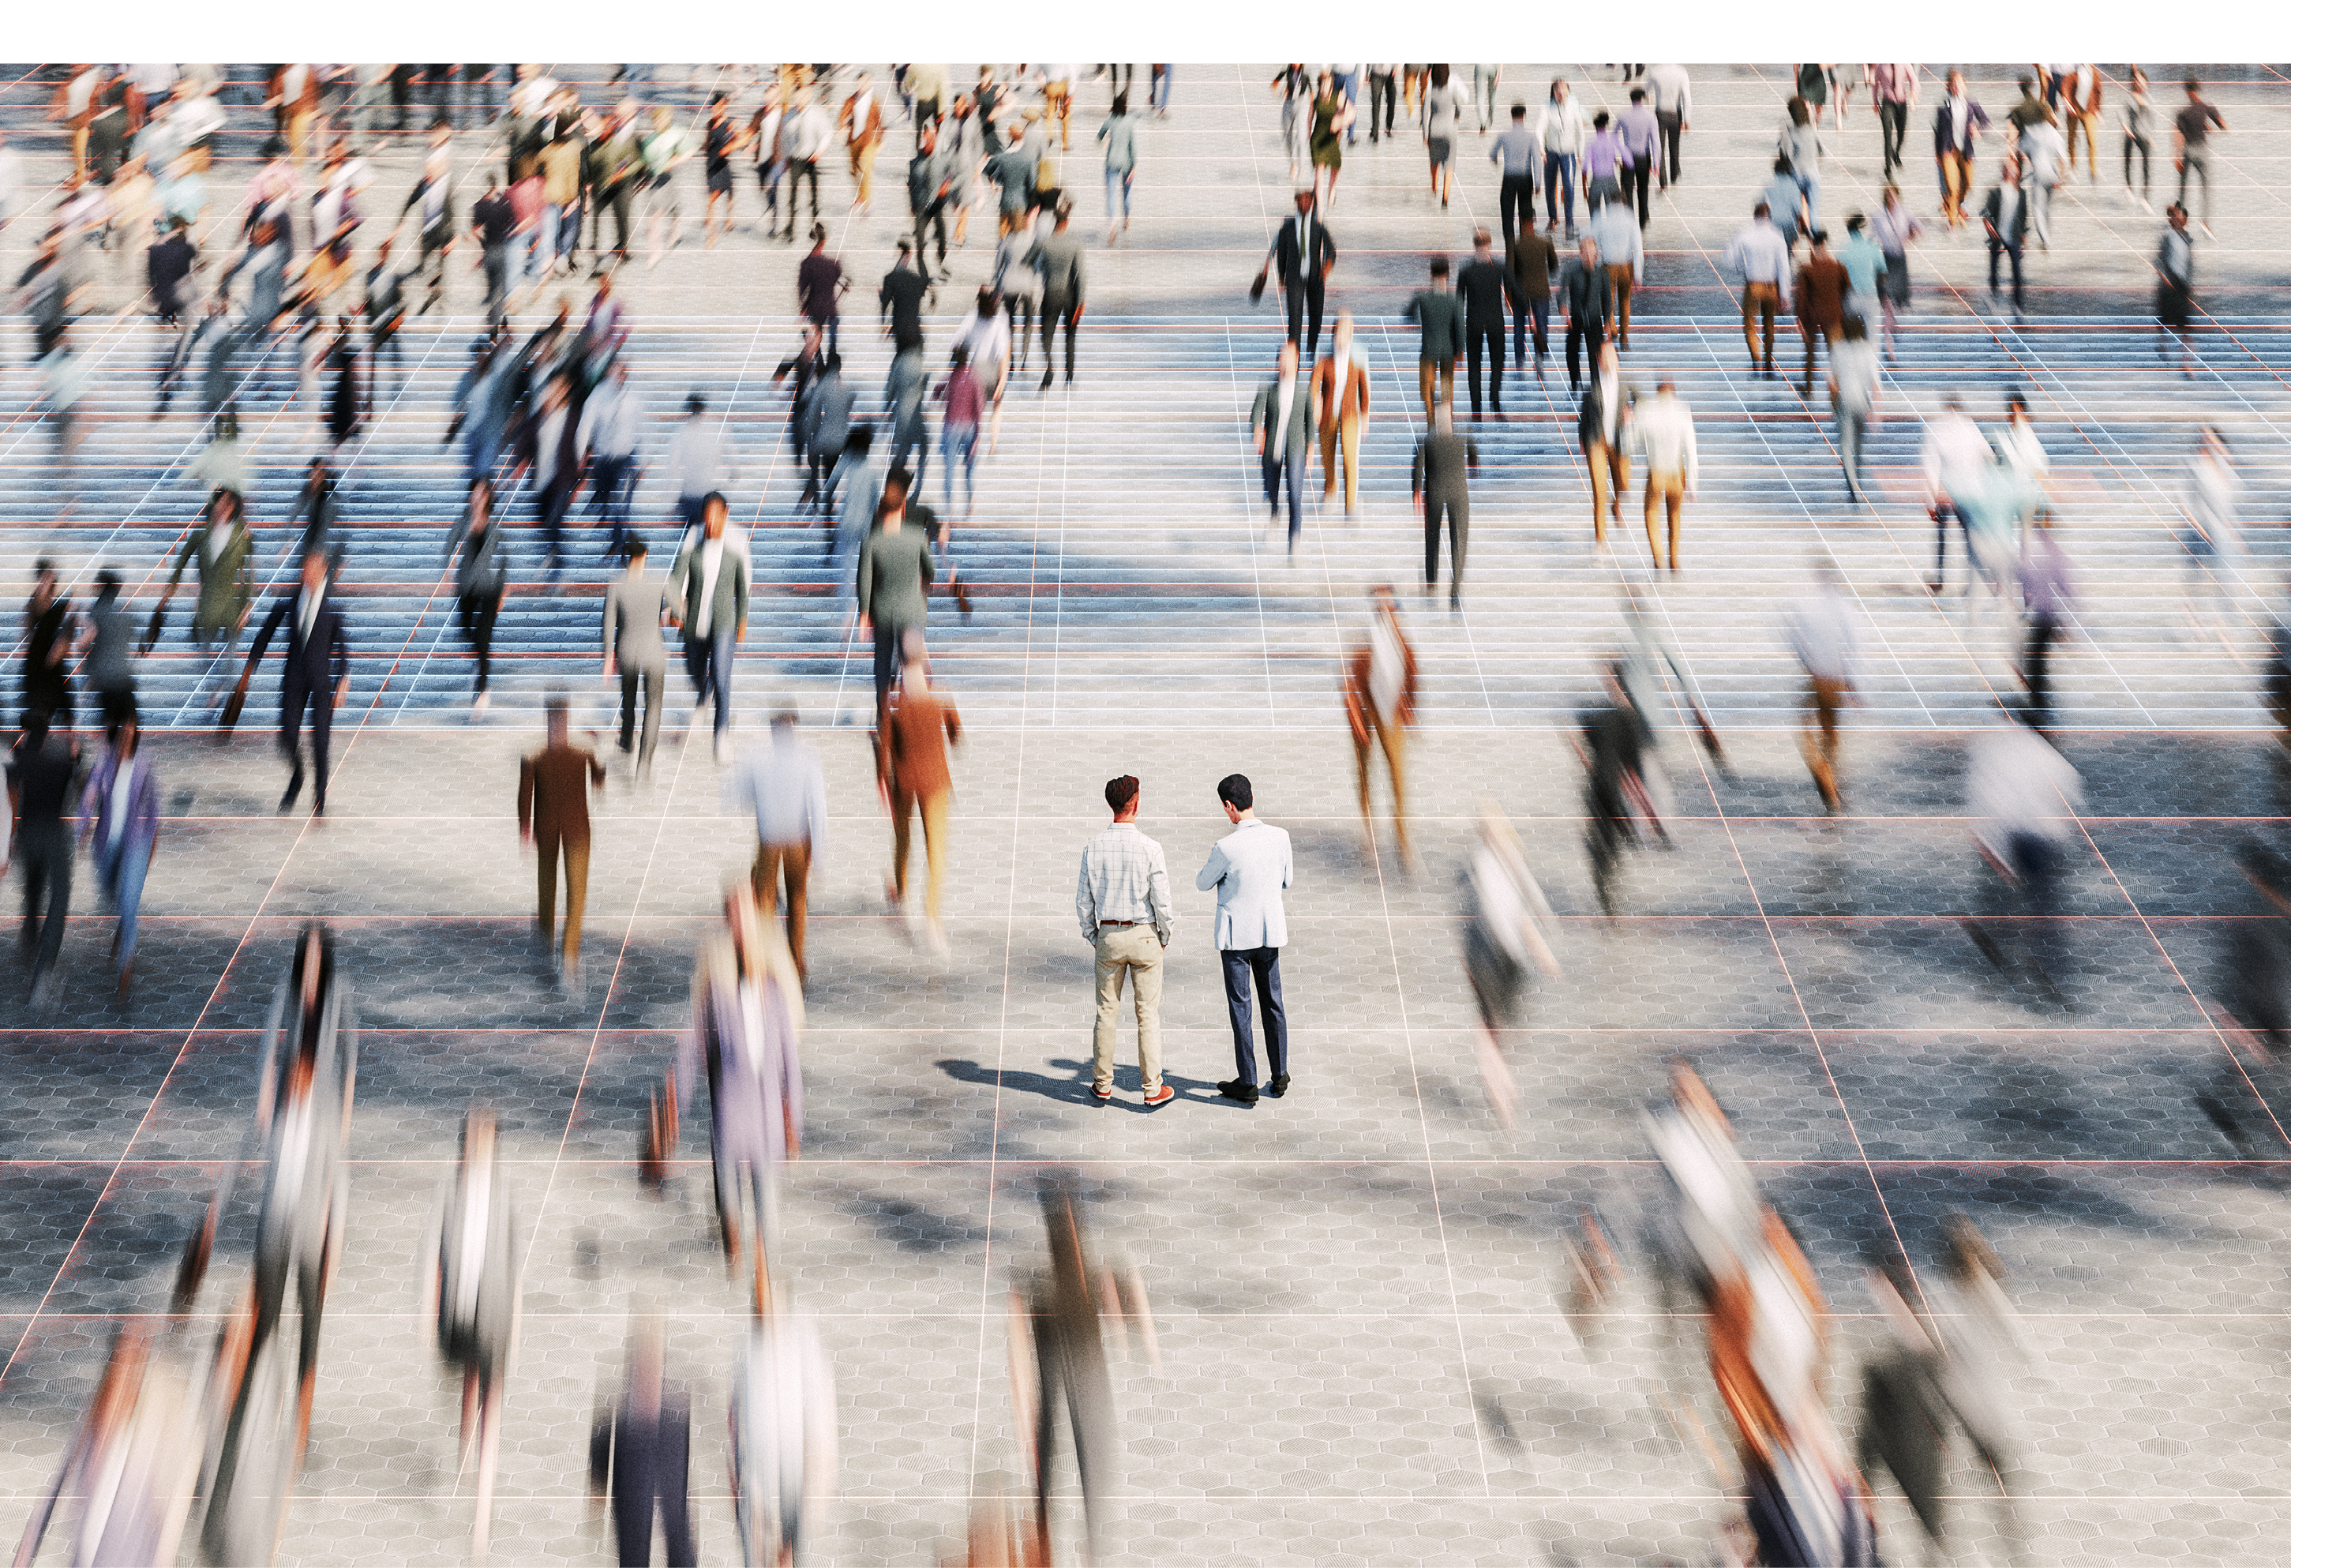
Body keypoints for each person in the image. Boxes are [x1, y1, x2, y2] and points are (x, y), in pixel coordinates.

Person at [1194, 773, 1293, 1106]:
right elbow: (1287, 881)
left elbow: (1202, 883)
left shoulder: (1225, 847)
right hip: (1269, 932)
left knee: (1242, 1008)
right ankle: (1279, 1075)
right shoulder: (1280, 837)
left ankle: (1248, 1081)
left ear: (1228, 805)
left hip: (1236, 938)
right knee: (1273, 1003)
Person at [1075, 774, 1173, 1105]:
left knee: (1106, 1011)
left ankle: (1102, 1085)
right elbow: (1162, 901)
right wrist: (1163, 934)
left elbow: (1083, 900)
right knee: (1148, 1014)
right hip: (1145, 935)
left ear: (1110, 804)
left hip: (1109, 936)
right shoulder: (1151, 847)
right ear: (1136, 803)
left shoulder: (1093, 846)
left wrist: (1094, 934)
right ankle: (1152, 1089)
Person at [243, 550, 350, 816]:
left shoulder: (332, 606)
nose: (307, 576)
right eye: (304, 570)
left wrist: (343, 679)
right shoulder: (290, 601)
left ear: (323, 571)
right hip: (293, 677)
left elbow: (344, 650)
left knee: (320, 742)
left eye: (312, 570)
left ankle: (319, 798)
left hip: (321, 682)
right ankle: (298, 776)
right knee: (287, 738)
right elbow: (265, 633)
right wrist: (250, 667)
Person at [588, 1317, 696, 1568]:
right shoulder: (621, 1408)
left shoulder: (675, 1410)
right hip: (633, 1510)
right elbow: (601, 1451)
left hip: (670, 1516)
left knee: (678, 1549)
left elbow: (683, 1476)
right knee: (634, 1552)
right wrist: (597, 1494)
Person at [518, 697, 606, 989]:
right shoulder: (584, 749)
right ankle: (569, 958)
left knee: (547, 887)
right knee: (576, 893)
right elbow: (599, 780)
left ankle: (546, 940)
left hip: (546, 829)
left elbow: (524, 794)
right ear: (567, 720)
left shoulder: (533, 753)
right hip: (578, 829)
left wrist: (524, 828)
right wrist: (601, 749)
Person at [732, 707, 826, 978]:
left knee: (765, 902)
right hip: (798, 839)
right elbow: (818, 806)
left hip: (769, 839)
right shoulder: (807, 758)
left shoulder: (758, 758)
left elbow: (742, 796)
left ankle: (763, 961)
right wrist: (819, 854)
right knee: (797, 901)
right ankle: (796, 964)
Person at [880, 655, 962, 952]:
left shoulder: (892, 703)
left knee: (903, 840)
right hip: (935, 781)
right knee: (936, 850)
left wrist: (882, 781)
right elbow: (956, 736)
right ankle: (932, 918)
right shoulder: (940, 698)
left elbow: (884, 745)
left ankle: (901, 898)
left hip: (903, 782)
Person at [7, 713, 84, 1007]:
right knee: (58, 900)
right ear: (48, 735)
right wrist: (76, 755)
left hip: (28, 836)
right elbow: (78, 781)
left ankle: (28, 940)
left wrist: (11, 838)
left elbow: (11, 794)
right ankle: (44, 968)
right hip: (54, 835)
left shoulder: (19, 759)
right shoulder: (59, 761)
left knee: (33, 893)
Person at [1343, 588, 1416, 867]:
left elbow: (1412, 674)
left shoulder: (1402, 644)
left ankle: (1402, 840)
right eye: (1381, 606)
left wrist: (1409, 711)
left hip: (1391, 715)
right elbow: (1350, 684)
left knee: (1397, 777)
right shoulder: (1364, 642)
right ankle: (1369, 835)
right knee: (1365, 776)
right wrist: (1357, 720)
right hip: (1365, 712)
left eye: (1391, 607)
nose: (1386, 611)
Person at [857, 471, 936, 718]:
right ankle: (913, 716)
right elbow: (930, 570)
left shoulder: (872, 541)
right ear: (903, 507)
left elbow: (864, 579)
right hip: (912, 610)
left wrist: (864, 613)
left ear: (881, 509)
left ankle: (884, 718)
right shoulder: (917, 538)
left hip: (883, 612)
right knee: (911, 664)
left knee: (882, 663)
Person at [1786, 558, 1860, 812]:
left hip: (1820, 680)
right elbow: (1852, 646)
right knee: (1828, 737)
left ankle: (1830, 791)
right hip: (1833, 680)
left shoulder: (1813, 607)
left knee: (1808, 736)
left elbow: (1795, 635)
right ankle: (1834, 785)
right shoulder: (1842, 608)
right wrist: (1855, 685)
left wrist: (1805, 658)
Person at [603, 537, 672, 778]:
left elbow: (608, 623)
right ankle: (644, 762)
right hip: (654, 652)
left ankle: (626, 740)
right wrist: (668, 612)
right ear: (645, 554)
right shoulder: (659, 580)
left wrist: (608, 657)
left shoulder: (617, 584)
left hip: (628, 651)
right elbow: (679, 611)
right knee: (654, 707)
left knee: (629, 699)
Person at [163, 488, 255, 661]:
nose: (223, 507)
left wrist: (247, 604)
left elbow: (247, 573)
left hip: (231, 606)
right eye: (220, 503)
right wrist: (169, 590)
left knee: (229, 660)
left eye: (228, 504)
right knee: (204, 655)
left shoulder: (242, 537)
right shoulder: (201, 534)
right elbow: (181, 563)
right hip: (207, 606)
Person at [444, 478, 510, 714]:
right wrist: (447, 567)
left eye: (483, 493)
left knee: (483, 638)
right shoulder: (464, 520)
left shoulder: (493, 522)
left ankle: (482, 688)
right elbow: (448, 546)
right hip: (467, 586)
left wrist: (504, 589)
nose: (478, 497)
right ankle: (479, 668)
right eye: (475, 492)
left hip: (490, 587)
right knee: (464, 630)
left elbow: (503, 557)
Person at [1921, 395, 1995, 596]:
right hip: (1969, 492)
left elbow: (1931, 466)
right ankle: (1977, 581)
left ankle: (1939, 578)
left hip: (1946, 493)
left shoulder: (1936, 428)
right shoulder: (1969, 427)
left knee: (1942, 537)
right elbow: (1988, 455)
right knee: (1970, 538)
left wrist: (1930, 499)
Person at [1250, 340, 1314, 555]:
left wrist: (1311, 448)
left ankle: (1293, 540)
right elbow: (1256, 411)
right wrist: (1258, 430)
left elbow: (1310, 422)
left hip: (1295, 448)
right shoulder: (1268, 388)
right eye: (1281, 359)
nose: (1284, 364)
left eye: (1288, 359)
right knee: (1272, 492)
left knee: (1295, 495)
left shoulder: (1303, 392)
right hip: (1272, 449)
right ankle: (1275, 514)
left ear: (1295, 361)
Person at [1413, 402, 1479, 608]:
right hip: (1459, 493)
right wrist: (1472, 469)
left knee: (1432, 539)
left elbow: (1417, 468)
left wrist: (1416, 492)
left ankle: (1431, 583)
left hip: (1434, 493)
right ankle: (1455, 589)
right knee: (1459, 543)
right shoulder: (1463, 436)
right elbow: (1475, 457)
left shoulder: (1426, 441)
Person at [1258, 187, 1336, 360]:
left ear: (1312, 203)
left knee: (1316, 317)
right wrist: (1281, 276)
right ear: (1296, 203)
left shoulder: (1318, 227)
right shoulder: (1288, 227)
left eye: (1308, 200)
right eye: (1301, 200)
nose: (1304, 203)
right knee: (1294, 317)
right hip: (1294, 278)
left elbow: (1331, 249)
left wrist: (1326, 267)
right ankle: (1295, 354)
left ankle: (1312, 348)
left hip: (1316, 277)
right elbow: (1282, 251)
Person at [1630, 379, 1699, 572]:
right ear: (1674, 392)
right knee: (1674, 517)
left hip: (1656, 472)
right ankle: (1674, 560)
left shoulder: (1646, 411)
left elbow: (1632, 444)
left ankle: (1658, 558)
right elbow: (1692, 452)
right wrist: (1692, 484)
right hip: (1676, 473)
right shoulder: (1682, 411)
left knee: (1651, 513)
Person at [2016, 512, 2073, 731]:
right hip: (2048, 617)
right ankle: (2040, 705)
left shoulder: (2041, 553)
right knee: (2037, 662)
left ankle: (2040, 708)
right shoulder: (2055, 553)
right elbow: (2067, 588)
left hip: (2044, 617)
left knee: (2036, 663)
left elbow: (2028, 580)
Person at [1311, 313, 1372, 517]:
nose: (1341, 339)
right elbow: (1314, 385)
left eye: (1345, 334)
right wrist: (1315, 404)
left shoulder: (1356, 362)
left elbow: (1364, 392)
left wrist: (1365, 416)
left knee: (1349, 460)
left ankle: (1350, 505)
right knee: (1327, 457)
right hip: (1328, 416)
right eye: (1338, 334)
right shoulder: (1325, 360)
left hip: (1350, 417)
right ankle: (1330, 489)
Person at [1726, 202, 1791, 373]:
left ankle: (1756, 358)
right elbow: (1784, 267)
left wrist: (1742, 266)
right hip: (1772, 286)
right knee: (1769, 324)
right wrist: (1784, 294)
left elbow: (1730, 259)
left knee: (1749, 323)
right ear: (1769, 217)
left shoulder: (1745, 234)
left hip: (1753, 285)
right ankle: (1769, 359)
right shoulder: (1777, 236)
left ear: (1754, 216)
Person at [1577, 342, 1629, 543]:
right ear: (1600, 361)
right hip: (1596, 443)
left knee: (1623, 483)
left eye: (1612, 356)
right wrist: (1583, 440)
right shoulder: (1592, 389)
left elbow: (1642, 403)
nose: (1609, 360)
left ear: (1617, 360)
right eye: (1605, 357)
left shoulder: (1626, 386)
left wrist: (1632, 412)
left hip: (1619, 442)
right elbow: (1583, 419)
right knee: (1600, 492)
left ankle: (1616, 505)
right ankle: (1600, 538)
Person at [1457, 230, 1510, 421]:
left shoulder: (1466, 270)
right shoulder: (1499, 267)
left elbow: (1458, 302)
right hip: (1495, 321)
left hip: (1474, 322)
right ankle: (1495, 401)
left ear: (1474, 245)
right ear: (1489, 244)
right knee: (1497, 362)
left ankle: (1476, 409)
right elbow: (1515, 289)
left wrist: (1456, 334)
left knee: (1474, 365)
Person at [1826, 314, 1880, 501]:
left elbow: (1831, 379)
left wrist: (1833, 396)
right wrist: (1875, 412)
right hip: (1862, 403)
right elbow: (1875, 384)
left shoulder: (1838, 349)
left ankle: (1852, 485)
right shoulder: (1867, 351)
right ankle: (1858, 480)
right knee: (1858, 446)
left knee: (1845, 445)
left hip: (1844, 402)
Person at [1792, 232, 1851, 399]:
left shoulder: (1808, 270)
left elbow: (1801, 298)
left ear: (1814, 247)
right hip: (1834, 315)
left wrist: (1800, 320)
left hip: (1812, 316)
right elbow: (1847, 291)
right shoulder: (1838, 267)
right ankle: (1835, 390)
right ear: (1826, 246)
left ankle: (1809, 388)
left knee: (1810, 353)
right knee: (1835, 354)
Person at [1405, 256, 1465, 420]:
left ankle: (1432, 420)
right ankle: (1446, 420)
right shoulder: (1454, 300)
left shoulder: (1423, 298)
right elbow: (1460, 326)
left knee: (1426, 386)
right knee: (1447, 387)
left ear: (1431, 273)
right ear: (1448, 273)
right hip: (1448, 350)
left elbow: (1408, 314)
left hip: (1428, 349)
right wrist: (1460, 350)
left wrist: (1417, 322)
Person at [1034, 198, 1085, 389]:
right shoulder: (1074, 244)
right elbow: (1081, 275)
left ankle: (1049, 370)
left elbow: (1034, 264)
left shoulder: (1045, 244)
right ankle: (1070, 375)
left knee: (1046, 334)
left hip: (1051, 293)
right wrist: (1081, 300)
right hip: (1070, 295)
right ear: (1067, 223)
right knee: (1070, 336)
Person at [76, 572, 139, 726]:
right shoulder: (123, 611)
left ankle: (108, 747)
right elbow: (133, 637)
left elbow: (85, 646)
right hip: (122, 673)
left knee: (110, 720)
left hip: (103, 676)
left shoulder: (93, 613)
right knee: (129, 719)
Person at [662, 394, 733, 527]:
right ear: (705, 409)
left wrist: (670, 502)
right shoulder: (717, 429)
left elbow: (672, 469)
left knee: (690, 538)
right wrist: (734, 471)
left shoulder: (681, 434)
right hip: (711, 493)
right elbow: (730, 452)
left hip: (689, 494)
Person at [1935, 70, 1990, 231]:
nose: (1957, 86)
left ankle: (1954, 204)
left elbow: (1986, 121)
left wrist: (1978, 129)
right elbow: (1937, 132)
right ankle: (1952, 223)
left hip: (1966, 150)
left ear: (1965, 86)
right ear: (1949, 87)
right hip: (1948, 151)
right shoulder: (1943, 106)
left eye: (1960, 83)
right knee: (1952, 187)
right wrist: (1937, 153)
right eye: (1954, 84)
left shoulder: (1971, 105)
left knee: (1968, 184)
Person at [1505, 216, 1558, 379]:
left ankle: (1519, 361)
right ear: (1534, 221)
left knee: (1519, 328)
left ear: (1521, 223)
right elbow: (1554, 267)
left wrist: (1508, 295)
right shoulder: (1545, 242)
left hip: (1520, 293)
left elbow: (1509, 272)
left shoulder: (1515, 244)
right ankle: (1540, 358)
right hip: (1541, 291)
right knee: (1541, 326)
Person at [1535, 80, 1587, 236]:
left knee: (1569, 186)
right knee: (1550, 187)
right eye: (1558, 92)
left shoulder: (1574, 109)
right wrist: (1541, 148)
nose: (1561, 94)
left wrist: (1580, 153)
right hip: (1551, 153)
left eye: (1564, 91)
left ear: (1568, 92)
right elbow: (1539, 128)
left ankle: (1569, 223)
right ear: (1554, 92)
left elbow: (1581, 133)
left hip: (1568, 153)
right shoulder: (1546, 108)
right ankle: (1553, 218)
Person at [1590, 192, 1643, 343]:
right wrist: (1638, 274)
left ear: (1610, 201)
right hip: (1626, 265)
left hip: (1608, 265)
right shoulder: (1630, 218)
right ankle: (1624, 336)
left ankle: (1612, 329)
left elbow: (1592, 239)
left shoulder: (1602, 218)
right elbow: (1638, 248)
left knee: (1608, 300)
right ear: (1624, 202)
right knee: (1625, 301)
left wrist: (1597, 261)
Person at [1558, 235, 1609, 392]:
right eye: (1584, 253)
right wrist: (1563, 306)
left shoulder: (1602, 273)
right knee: (1572, 351)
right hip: (1576, 317)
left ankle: (1595, 384)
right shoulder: (1572, 269)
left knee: (1596, 353)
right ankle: (1575, 381)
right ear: (1580, 254)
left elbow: (1607, 298)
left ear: (1596, 254)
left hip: (1594, 318)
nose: (1588, 256)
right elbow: (1561, 292)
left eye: (1591, 252)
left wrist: (1607, 321)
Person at [1982, 155, 2029, 319]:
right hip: (1998, 235)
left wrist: (2024, 234)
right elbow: (1986, 211)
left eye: (2013, 168)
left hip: (2014, 235)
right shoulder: (1995, 192)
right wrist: (1987, 223)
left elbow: (2023, 215)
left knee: (2017, 272)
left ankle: (2017, 306)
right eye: (2008, 168)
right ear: (2003, 170)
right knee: (1994, 268)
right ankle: (1993, 295)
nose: (2011, 171)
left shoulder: (2021, 193)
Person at [2156, 201, 2196, 374]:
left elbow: (2190, 264)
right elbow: (2158, 260)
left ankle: (2186, 362)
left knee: (2184, 326)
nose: (2178, 220)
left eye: (2181, 217)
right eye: (2175, 217)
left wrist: (2189, 285)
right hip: (2168, 284)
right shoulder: (2167, 239)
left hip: (2182, 286)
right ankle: (2163, 345)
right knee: (2164, 322)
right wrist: (2164, 277)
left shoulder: (2188, 239)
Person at [1422, 64, 1469, 208]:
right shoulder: (1451, 90)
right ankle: (1445, 197)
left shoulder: (1430, 91)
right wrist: (1456, 117)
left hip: (1434, 129)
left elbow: (1424, 114)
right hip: (1450, 130)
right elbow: (1460, 104)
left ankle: (1434, 185)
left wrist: (1425, 135)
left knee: (1434, 160)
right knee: (1449, 163)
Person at [1490, 103, 1541, 232]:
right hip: (1525, 177)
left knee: (1507, 214)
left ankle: (1510, 247)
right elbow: (1537, 160)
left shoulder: (1504, 135)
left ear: (1512, 116)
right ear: (1523, 117)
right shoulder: (1530, 137)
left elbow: (1492, 153)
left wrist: (1496, 161)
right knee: (1525, 214)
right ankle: (1525, 245)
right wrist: (1538, 183)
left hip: (1509, 177)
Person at [796, 223, 844, 358]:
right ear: (824, 241)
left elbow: (802, 290)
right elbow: (838, 276)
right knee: (833, 344)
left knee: (815, 343)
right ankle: (833, 368)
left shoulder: (806, 264)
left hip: (815, 308)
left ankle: (819, 367)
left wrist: (803, 309)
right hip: (831, 308)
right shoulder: (833, 263)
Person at [1097, 92, 1138, 244]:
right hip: (1127, 162)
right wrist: (1135, 165)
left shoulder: (1110, 120)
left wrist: (1108, 140)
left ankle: (1112, 226)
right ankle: (1127, 217)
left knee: (1111, 195)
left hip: (1112, 162)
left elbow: (1099, 136)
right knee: (1126, 193)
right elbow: (1133, 145)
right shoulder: (1130, 121)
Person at [1870, 62, 1917, 178]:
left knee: (1901, 135)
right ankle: (1888, 167)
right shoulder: (1881, 66)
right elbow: (1875, 84)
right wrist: (1875, 101)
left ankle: (1896, 154)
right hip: (1887, 103)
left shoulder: (1905, 64)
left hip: (1901, 103)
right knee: (1887, 135)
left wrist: (1913, 95)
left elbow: (1914, 81)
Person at [2121, 67, 2158, 211]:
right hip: (2130, 134)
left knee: (2146, 167)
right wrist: (2126, 128)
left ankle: (2145, 198)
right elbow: (2121, 114)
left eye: (2141, 81)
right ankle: (2129, 188)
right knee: (2128, 162)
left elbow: (2151, 119)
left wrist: (2151, 136)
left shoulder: (2148, 98)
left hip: (2143, 135)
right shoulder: (2129, 96)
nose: (2138, 83)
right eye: (2136, 80)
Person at [2060, 64, 2102, 182]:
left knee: (2092, 141)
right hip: (2074, 109)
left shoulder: (2095, 74)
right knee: (2071, 140)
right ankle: (2073, 166)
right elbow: (2065, 87)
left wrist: (2098, 111)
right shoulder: (2072, 72)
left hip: (2089, 110)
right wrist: (2067, 103)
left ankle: (2093, 170)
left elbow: (2098, 92)